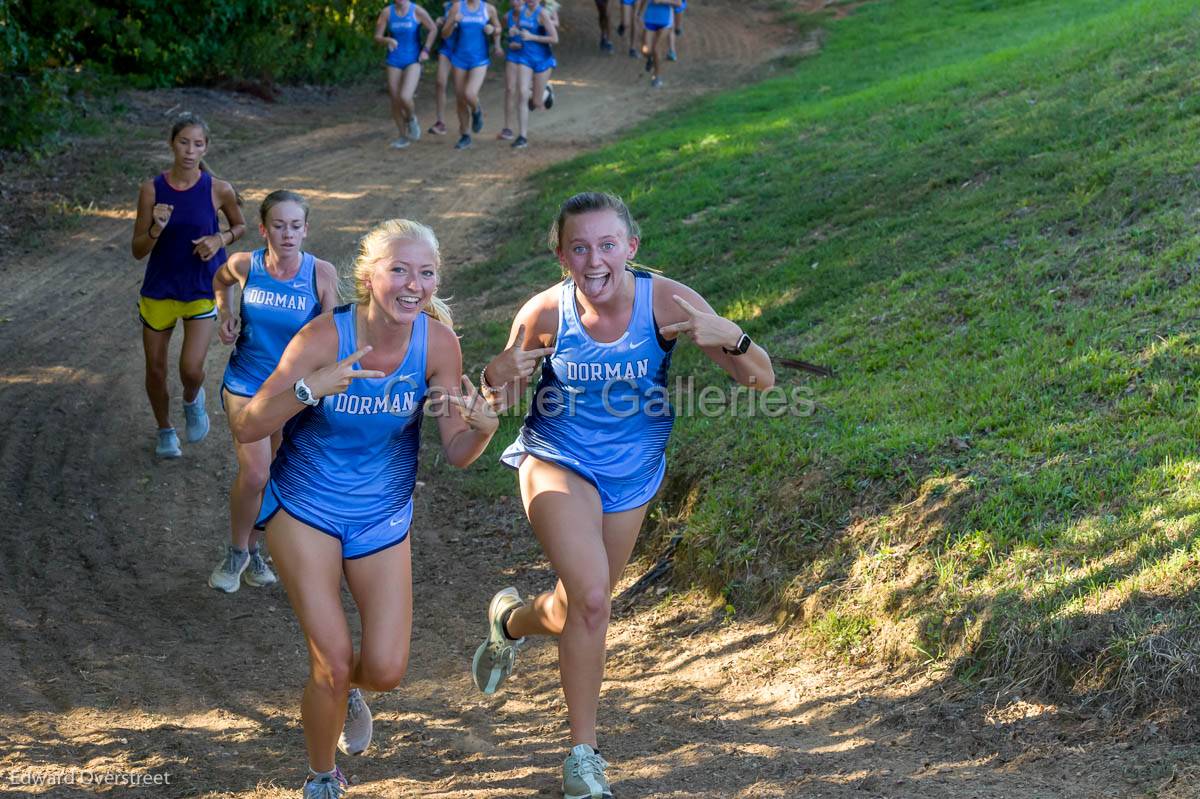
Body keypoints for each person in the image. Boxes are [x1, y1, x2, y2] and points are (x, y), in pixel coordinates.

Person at [470, 192, 774, 799]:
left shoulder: (667, 300)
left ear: (631, 248)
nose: (594, 260)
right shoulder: (545, 314)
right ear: (562, 256)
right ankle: (584, 758)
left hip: (633, 473)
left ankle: (509, 621)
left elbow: (760, 378)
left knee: (577, 608)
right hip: (555, 460)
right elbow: (489, 410)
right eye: (579, 248)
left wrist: (734, 338)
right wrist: (492, 379)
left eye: (607, 245)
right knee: (591, 599)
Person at [231, 219, 498, 799]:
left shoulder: (438, 344)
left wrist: (484, 430)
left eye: (425, 273)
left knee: (385, 669)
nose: (413, 284)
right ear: (368, 276)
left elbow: (456, 450)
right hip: (304, 505)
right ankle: (322, 777)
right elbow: (245, 422)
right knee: (329, 659)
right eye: (399, 269)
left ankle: (344, 692)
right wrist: (311, 388)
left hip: (382, 514)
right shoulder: (324, 338)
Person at [208, 190, 339, 593]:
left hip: (292, 391)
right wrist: (226, 313)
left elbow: (335, 329)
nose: (287, 234)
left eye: (295, 226)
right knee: (256, 470)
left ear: (306, 230)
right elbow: (220, 279)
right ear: (264, 229)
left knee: (277, 474)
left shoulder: (320, 273)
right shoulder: (245, 265)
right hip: (245, 384)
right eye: (279, 226)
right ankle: (235, 554)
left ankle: (254, 549)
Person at [131, 112, 245, 459]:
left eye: (198, 144)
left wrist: (218, 238)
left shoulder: (218, 189)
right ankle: (165, 430)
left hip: (200, 286)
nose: (190, 150)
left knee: (191, 369)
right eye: (184, 142)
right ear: (171, 144)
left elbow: (240, 227)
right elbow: (138, 250)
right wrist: (156, 228)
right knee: (155, 368)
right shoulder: (152, 189)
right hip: (160, 289)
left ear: (205, 147)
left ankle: (192, 400)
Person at [374, 0, 439, 149]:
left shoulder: (417, 11)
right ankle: (403, 137)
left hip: (413, 60)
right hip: (394, 60)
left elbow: (433, 29)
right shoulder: (387, 12)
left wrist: (426, 50)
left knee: (405, 97)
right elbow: (377, 36)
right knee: (395, 100)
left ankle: (411, 119)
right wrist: (387, 39)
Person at [442, 0, 504, 149]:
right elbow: (444, 34)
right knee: (460, 98)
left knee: (469, 93)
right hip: (459, 58)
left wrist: (493, 30)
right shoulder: (457, 6)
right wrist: (452, 22)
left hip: (479, 59)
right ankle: (465, 135)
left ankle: (477, 111)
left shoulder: (489, 9)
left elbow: (499, 28)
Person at [500, 0, 559, 148]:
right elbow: (516, 29)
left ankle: (546, 92)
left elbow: (554, 38)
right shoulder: (521, 11)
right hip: (524, 58)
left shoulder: (543, 14)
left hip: (542, 60)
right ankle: (522, 137)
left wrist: (533, 37)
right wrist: (513, 33)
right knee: (522, 93)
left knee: (537, 103)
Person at [427, 0, 461, 136]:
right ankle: (440, 123)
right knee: (440, 83)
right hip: (446, 48)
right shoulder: (447, 6)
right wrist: (442, 20)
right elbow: (446, 24)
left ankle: (472, 111)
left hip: (462, 50)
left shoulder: (470, 4)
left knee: (461, 90)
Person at [637, 0, 681, 88]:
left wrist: (661, 1)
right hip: (650, 18)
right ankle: (650, 58)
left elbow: (678, 3)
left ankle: (657, 76)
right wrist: (639, 13)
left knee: (656, 48)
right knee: (645, 50)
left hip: (665, 21)